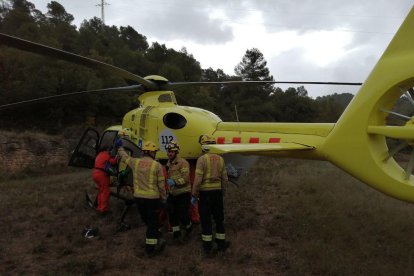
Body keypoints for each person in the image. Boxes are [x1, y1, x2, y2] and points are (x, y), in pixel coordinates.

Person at [117, 140, 167, 256]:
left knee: (147, 221)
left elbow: (124, 157)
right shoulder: (157, 165)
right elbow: (161, 185)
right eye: (154, 152)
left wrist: (120, 148)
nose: (155, 154)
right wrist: (164, 199)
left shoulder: (136, 162)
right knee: (152, 224)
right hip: (152, 200)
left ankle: (156, 236)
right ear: (150, 152)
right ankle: (150, 249)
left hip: (139, 199)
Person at [191, 135, 230, 254]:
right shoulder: (220, 159)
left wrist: (194, 194)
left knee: (206, 219)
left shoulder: (202, 159)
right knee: (219, 219)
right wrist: (222, 192)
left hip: (205, 193)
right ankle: (221, 243)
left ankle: (208, 246)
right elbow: (225, 179)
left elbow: (197, 180)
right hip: (217, 193)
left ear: (203, 146)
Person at [165, 141, 193, 241]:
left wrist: (175, 182)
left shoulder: (183, 162)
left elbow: (186, 179)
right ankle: (176, 234)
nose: (169, 153)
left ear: (176, 152)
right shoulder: (168, 163)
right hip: (172, 193)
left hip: (183, 192)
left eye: (171, 152)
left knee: (182, 213)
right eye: (168, 151)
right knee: (171, 213)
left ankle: (189, 227)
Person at [92, 145, 117, 215]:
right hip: (101, 175)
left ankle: (99, 207)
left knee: (101, 191)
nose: (110, 152)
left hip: (95, 174)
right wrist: (117, 157)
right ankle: (103, 209)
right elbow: (113, 162)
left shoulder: (99, 155)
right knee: (105, 192)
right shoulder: (105, 155)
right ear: (106, 150)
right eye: (109, 150)